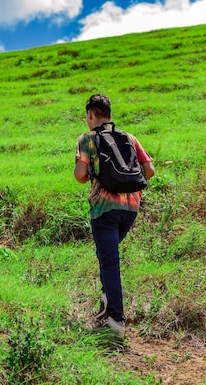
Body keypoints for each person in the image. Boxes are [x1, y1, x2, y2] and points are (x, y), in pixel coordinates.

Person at [74, 94, 155, 337]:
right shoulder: (129, 138)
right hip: (130, 209)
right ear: (109, 114)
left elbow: (79, 175)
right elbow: (149, 170)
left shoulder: (87, 139)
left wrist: (95, 175)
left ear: (90, 115)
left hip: (104, 210)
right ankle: (106, 303)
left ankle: (115, 321)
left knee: (109, 262)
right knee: (107, 257)